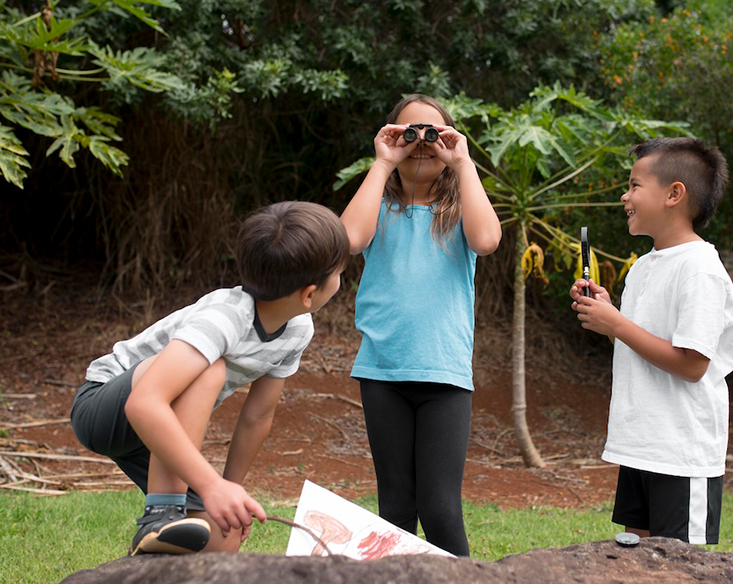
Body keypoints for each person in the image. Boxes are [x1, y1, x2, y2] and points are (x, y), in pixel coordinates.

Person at [71, 201, 349, 556]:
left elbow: (258, 416)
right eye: (340, 272)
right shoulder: (225, 317)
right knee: (211, 368)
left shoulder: (297, 329)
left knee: (222, 536)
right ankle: (161, 512)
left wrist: (229, 493)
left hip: (156, 431)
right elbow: (144, 402)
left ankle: (154, 565)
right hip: (105, 407)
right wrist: (211, 485)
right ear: (311, 293)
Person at [340, 94, 502, 556]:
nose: (422, 142)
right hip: (382, 373)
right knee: (394, 508)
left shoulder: (457, 213)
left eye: (434, 133)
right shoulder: (381, 209)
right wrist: (384, 162)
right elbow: (350, 239)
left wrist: (463, 161)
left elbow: (488, 240)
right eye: (409, 133)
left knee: (440, 508)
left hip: (444, 377)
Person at [569, 137, 733, 545]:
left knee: (684, 576)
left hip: (682, 451)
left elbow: (691, 364)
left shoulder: (701, 270)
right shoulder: (643, 267)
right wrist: (610, 316)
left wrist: (618, 325)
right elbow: (644, 347)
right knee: (638, 568)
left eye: (634, 185)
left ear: (674, 194)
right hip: (641, 444)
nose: (625, 196)